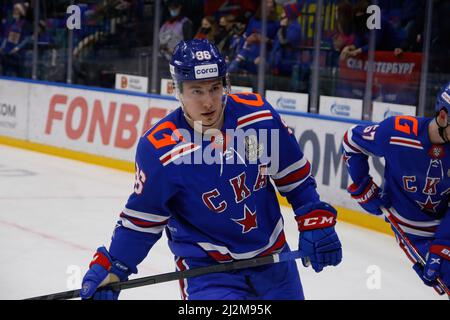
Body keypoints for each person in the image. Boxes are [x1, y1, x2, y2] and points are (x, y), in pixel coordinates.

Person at [80, 39, 342, 300]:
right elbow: (142, 222)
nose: (209, 102)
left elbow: (294, 178)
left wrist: (314, 220)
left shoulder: (259, 117)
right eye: (197, 91)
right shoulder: (160, 150)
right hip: (207, 272)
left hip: (274, 261)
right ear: (178, 90)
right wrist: (114, 266)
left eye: (215, 88)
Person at [341, 82, 450, 292]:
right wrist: (363, 187)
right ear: (443, 117)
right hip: (413, 229)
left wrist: (444, 243)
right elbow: (351, 142)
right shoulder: (397, 132)